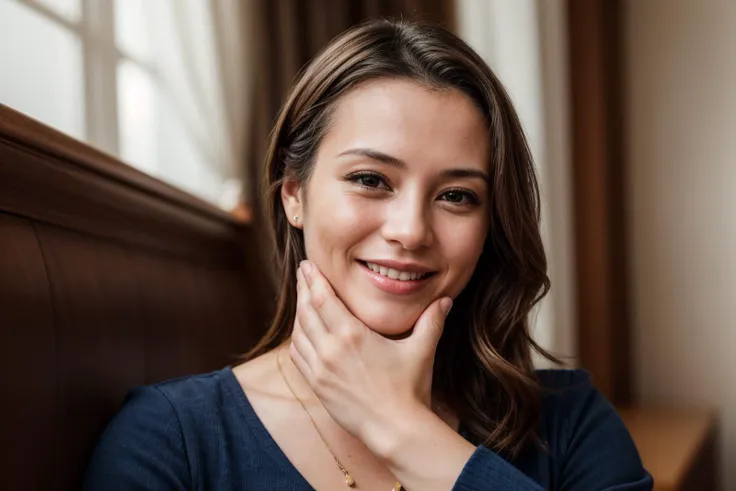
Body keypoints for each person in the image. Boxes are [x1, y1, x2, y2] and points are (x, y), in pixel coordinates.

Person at [82, 19, 652, 491]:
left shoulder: (569, 422)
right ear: (294, 195)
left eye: (456, 195)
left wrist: (398, 428)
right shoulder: (171, 442)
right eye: (371, 179)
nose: (410, 231)